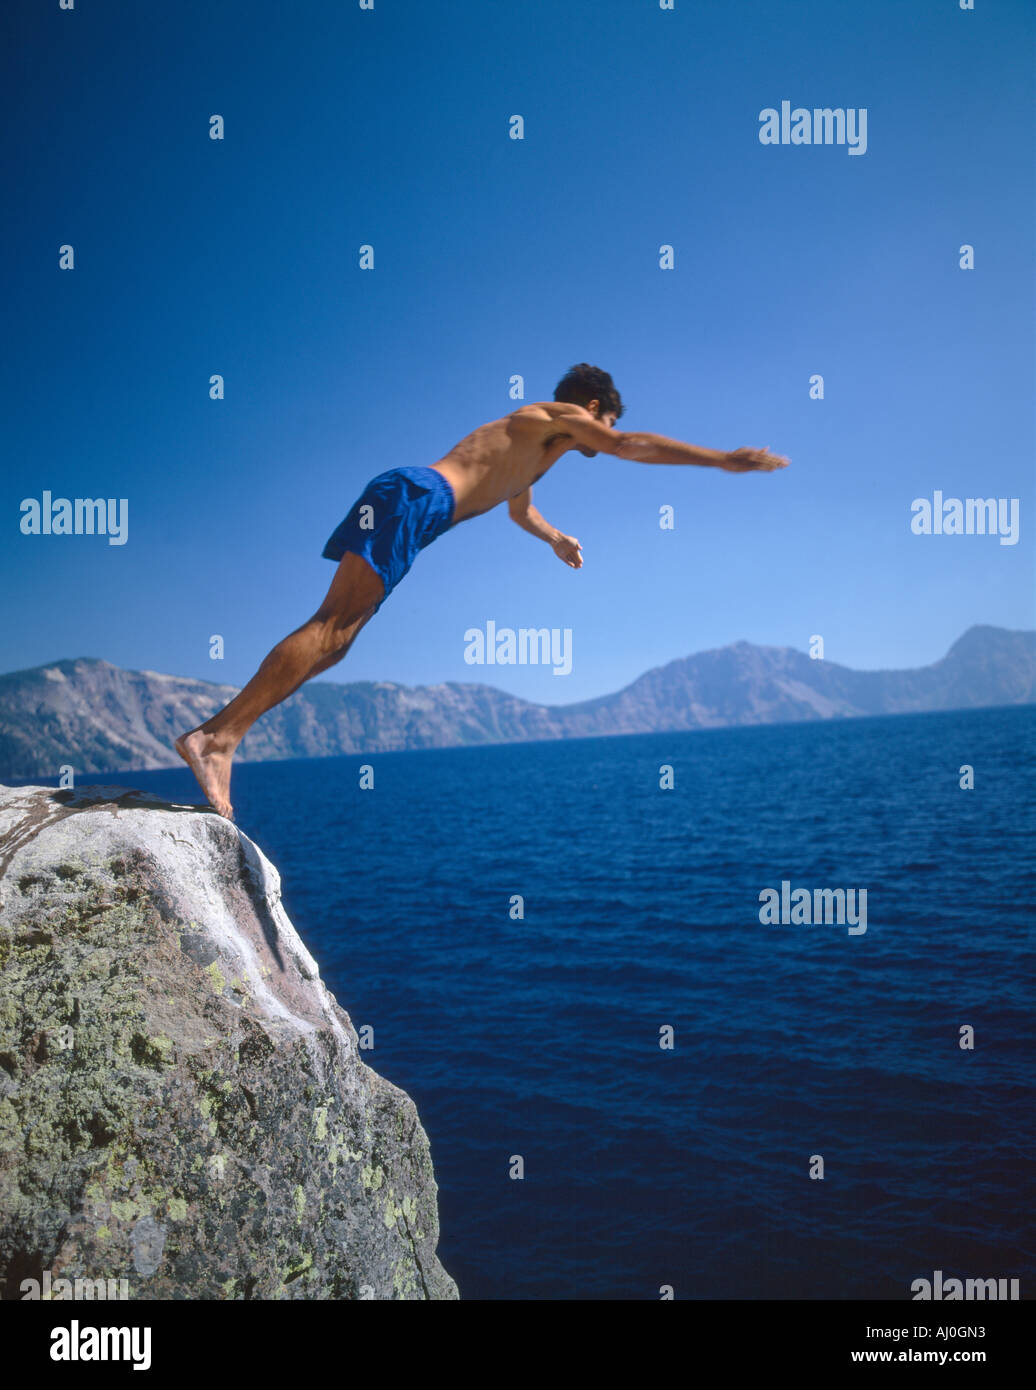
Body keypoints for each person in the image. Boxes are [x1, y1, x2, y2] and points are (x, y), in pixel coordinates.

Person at [176, 363, 789, 817]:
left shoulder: (536, 450)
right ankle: (216, 739)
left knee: (337, 642)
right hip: (420, 498)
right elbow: (627, 446)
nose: (603, 439)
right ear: (593, 407)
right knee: (332, 628)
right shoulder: (551, 416)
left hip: (414, 503)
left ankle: (221, 738)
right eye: (604, 423)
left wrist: (554, 538)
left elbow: (517, 510)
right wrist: (721, 461)